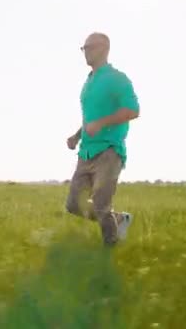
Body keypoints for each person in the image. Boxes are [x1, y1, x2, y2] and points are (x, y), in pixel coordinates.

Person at [65, 32, 140, 246]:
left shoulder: (117, 78)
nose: (85, 52)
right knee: (73, 204)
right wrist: (76, 135)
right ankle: (118, 219)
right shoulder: (88, 82)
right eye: (84, 48)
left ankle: (110, 250)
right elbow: (90, 119)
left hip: (109, 150)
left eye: (89, 47)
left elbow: (133, 110)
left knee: (100, 203)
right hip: (86, 151)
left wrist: (101, 124)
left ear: (104, 48)